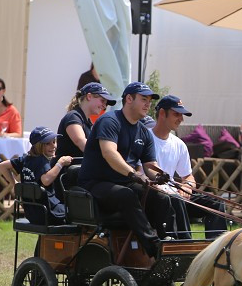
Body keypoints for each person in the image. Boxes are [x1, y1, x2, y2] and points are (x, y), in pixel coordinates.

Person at [78, 82, 172, 257]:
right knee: (126, 195)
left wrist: (160, 175)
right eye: (143, 99)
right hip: (95, 183)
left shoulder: (144, 132)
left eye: (149, 101)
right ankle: (153, 247)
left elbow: (150, 165)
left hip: (124, 183)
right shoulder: (109, 121)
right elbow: (109, 153)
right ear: (129, 99)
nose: (147, 104)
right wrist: (134, 174)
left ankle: (166, 240)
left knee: (161, 198)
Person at [149, 95, 228, 238]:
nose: (181, 119)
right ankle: (186, 245)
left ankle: (216, 250)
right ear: (162, 113)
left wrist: (187, 186)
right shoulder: (146, 138)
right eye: (176, 114)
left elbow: (188, 176)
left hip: (175, 196)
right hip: (155, 198)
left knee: (216, 204)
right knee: (176, 198)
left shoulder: (179, 144)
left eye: (182, 115)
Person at [0, 127, 70, 225]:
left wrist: (15, 184)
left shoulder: (25, 159)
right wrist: (60, 163)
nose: (53, 146)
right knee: (77, 212)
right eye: (48, 143)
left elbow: (2, 166)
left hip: (31, 213)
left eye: (54, 142)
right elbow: (46, 180)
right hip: (49, 212)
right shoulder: (41, 161)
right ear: (38, 146)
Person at [57, 82, 116, 160]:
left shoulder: (88, 122)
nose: (104, 106)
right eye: (102, 101)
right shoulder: (73, 116)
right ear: (89, 96)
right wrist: (107, 157)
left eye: (106, 104)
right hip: (66, 170)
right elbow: (80, 141)